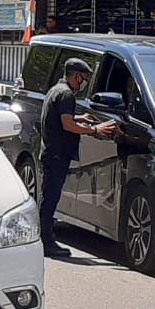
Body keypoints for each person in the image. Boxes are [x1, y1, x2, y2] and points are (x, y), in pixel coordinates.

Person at [39, 58, 116, 258]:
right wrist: (95, 129)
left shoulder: (55, 89)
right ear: (76, 75)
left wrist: (79, 118)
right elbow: (67, 125)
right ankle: (46, 241)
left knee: (48, 197)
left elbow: (61, 117)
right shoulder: (66, 95)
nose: (82, 84)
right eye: (83, 79)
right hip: (57, 154)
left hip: (51, 152)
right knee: (51, 199)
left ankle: (44, 237)